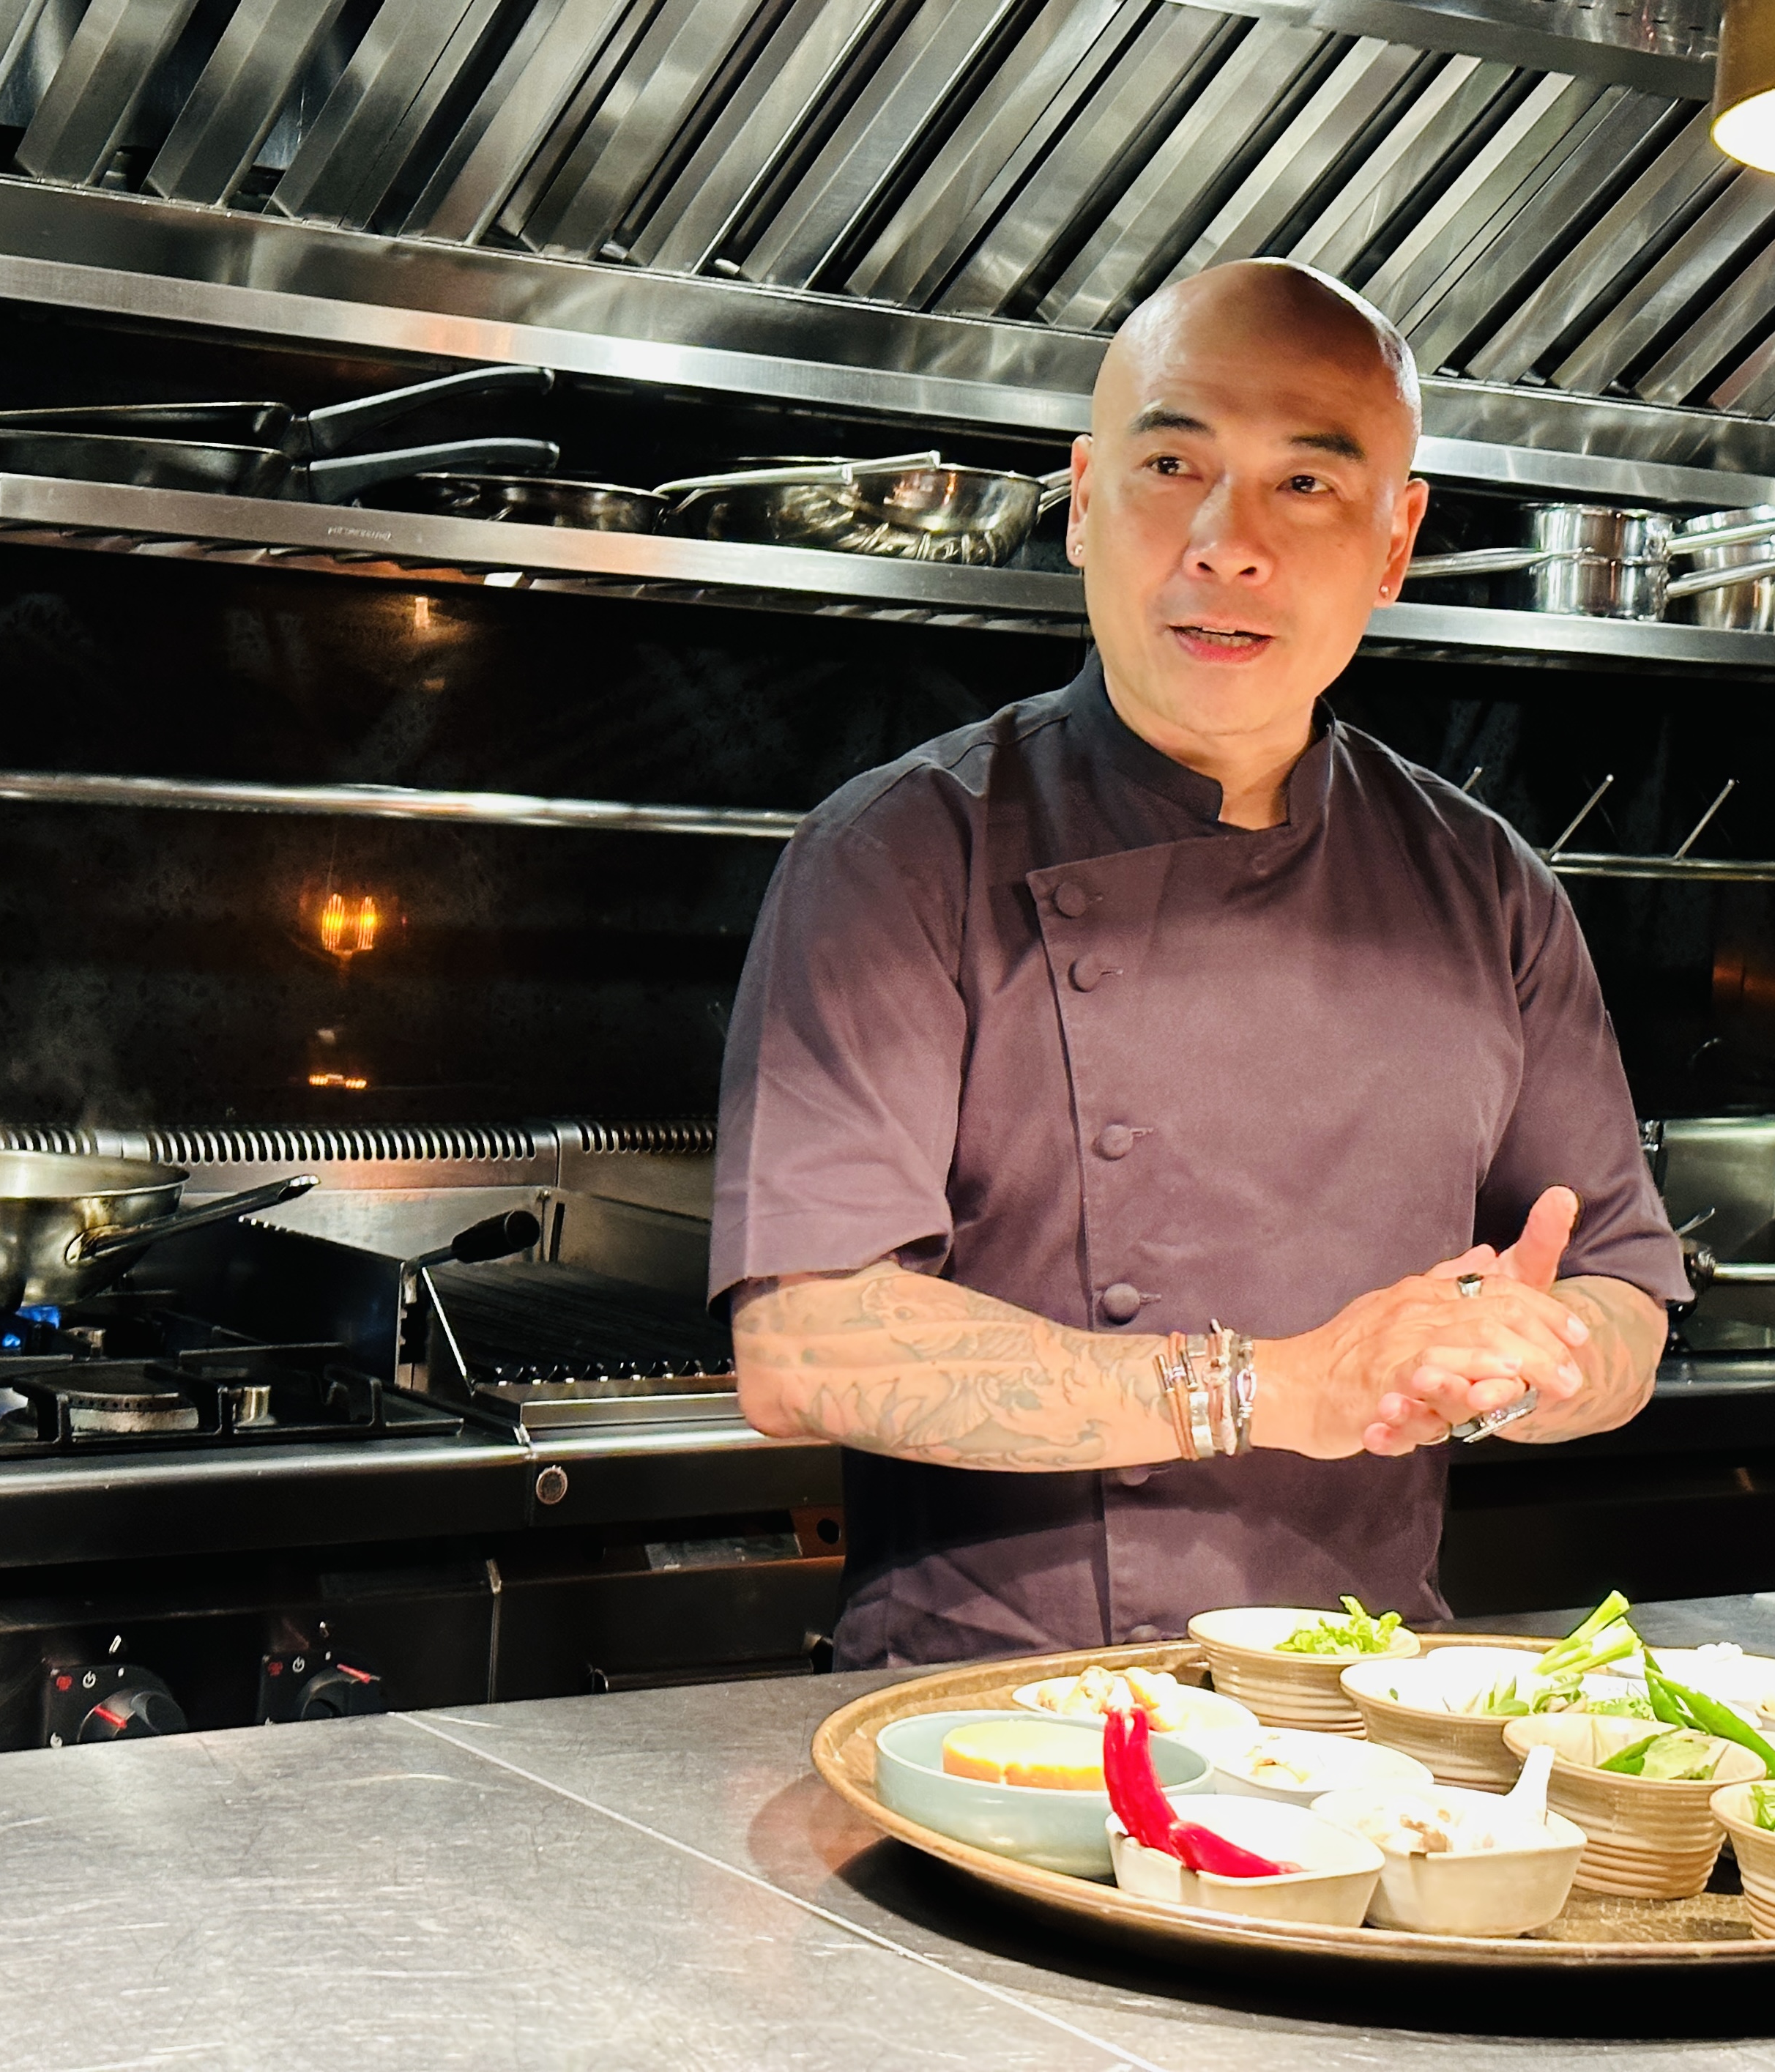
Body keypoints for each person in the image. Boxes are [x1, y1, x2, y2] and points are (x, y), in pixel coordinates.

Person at [708, 259, 1689, 1669]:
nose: (1228, 546)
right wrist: (1273, 1384)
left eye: (1307, 484)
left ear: (1397, 540)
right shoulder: (901, 854)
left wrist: (1525, 1365)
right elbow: (808, 1354)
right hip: (991, 1723)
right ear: (1086, 497)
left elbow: (1617, 1293)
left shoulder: (1487, 885)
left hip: (1373, 1719)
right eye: (1174, 463)